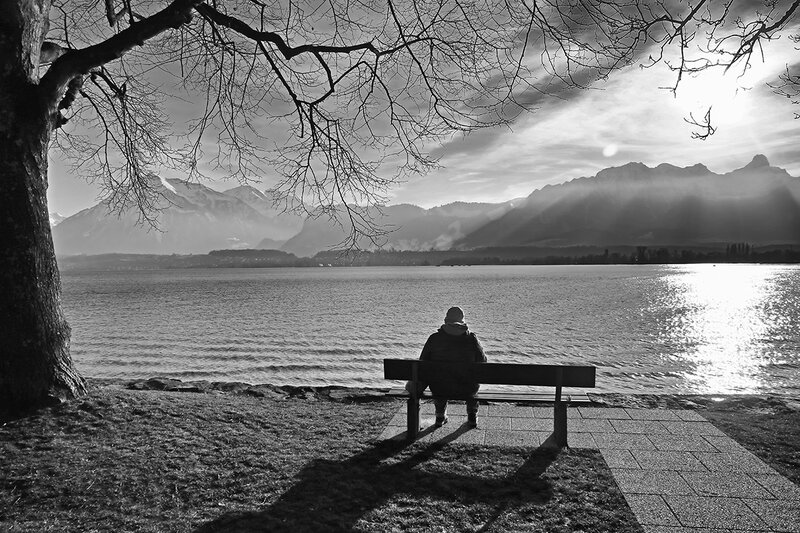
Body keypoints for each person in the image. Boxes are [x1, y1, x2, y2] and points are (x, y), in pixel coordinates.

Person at [419, 306, 486, 428]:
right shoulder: (471, 339)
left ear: (446, 320)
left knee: (439, 380)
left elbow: (422, 362)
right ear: (463, 321)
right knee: (472, 379)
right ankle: (472, 415)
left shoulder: (434, 338)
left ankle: (440, 415)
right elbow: (483, 361)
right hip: (467, 389)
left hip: (440, 388)